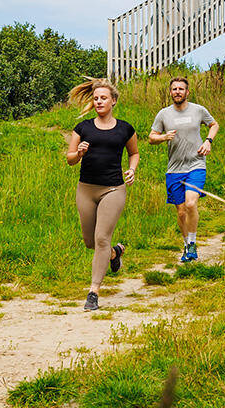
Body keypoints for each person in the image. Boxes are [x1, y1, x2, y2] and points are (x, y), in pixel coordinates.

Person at [66, 78, 139, 311]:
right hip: (86, 189)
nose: (99, 101)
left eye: (103, 98)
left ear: (113, 101)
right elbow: (69, 160)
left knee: (101, 239)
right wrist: (78, 153)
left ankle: (93, 292)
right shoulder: (83, 128)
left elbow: (134, 153)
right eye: (96, 98)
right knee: (90, 242)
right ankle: (115, 252)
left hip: (113, 189)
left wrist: (132, 169)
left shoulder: (125, 128)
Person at [148, 77, 219, 262]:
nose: (177, 91)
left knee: (190, 204)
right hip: (174, 169)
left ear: (187, 92)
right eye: (174, 89)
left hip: (196, 165)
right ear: (170, 92)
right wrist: (163, 137)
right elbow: (151, 137)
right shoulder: (163, 114)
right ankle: (187, 244)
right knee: (180, 211)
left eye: (181, 89)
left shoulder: (198, 110)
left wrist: (208, 141)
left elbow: (214, 124)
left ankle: (193, 244)